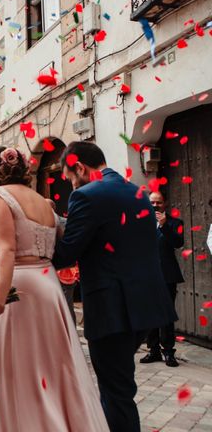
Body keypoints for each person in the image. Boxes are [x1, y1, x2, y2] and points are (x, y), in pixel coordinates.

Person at [0, 146, 109, 432]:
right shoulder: (41, 201)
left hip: (23, 288)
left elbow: (8, 250)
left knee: (22, 367)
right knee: (55, 364)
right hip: (48, 285)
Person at [52, 141, 176, 432]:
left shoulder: (86, 195)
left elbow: (66, 253)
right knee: (120, 385)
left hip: (112, 310)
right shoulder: (137, 192)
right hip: (146, 306)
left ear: (80, 167)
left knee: (116, 393)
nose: (72, 184)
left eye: (70, 177)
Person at [140, 190, 185, 368]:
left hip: (167, 275)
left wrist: (165, 225)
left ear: (164, 203)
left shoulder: (175, 223)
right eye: (151, 202)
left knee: (166, 314)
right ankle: (153, 350)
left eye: (158, 202)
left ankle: (168, 352)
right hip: (147, 275)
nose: (154, 206)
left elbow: (177, 243)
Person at [45, 198, 79, 325]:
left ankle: (71, 335)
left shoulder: (66, 223)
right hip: (47, 270)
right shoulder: (40, 223)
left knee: (67, 306)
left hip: (65, 271)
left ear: (52, 208)